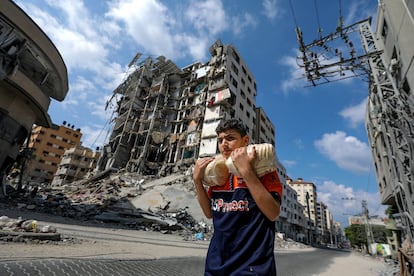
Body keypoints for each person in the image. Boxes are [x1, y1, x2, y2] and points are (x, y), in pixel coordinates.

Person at [193, 119, 283, 276]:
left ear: (245, 140)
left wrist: (246, 171)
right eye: (220, 140)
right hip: (217, 263)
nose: (224, 144)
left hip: (252, 265)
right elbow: (209, 213)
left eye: (230, 138)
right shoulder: (218, 173)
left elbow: (273, 213)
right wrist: (197, 181)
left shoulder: (263, 170)